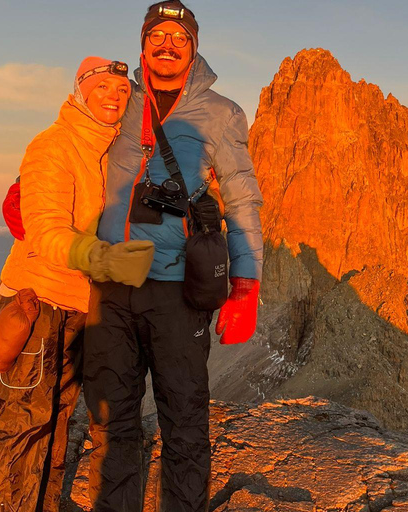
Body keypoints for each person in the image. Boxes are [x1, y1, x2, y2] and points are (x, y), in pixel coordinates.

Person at [84, 2, 264, 511]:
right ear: (143, 44)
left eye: (178, 38)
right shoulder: (121, 98)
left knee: (184, 423)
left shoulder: (221, 113)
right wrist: (28, 189)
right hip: (112, 287)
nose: (167, 46)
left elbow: (243, 197)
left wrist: (245, 287)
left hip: (175, 291)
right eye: (158, 36)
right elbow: (79, 141)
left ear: (193, 47)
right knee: (111, 424)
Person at [0, 57, 155, 512]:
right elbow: (45, 230)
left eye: (121, 91)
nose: (113, 97)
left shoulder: (118, 150)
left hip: (85, 307)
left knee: (57, 427)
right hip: (37, 305)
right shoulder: (53, 145)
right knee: (25, 428)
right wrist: (108, 259)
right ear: (80, 91)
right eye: (102, 87)